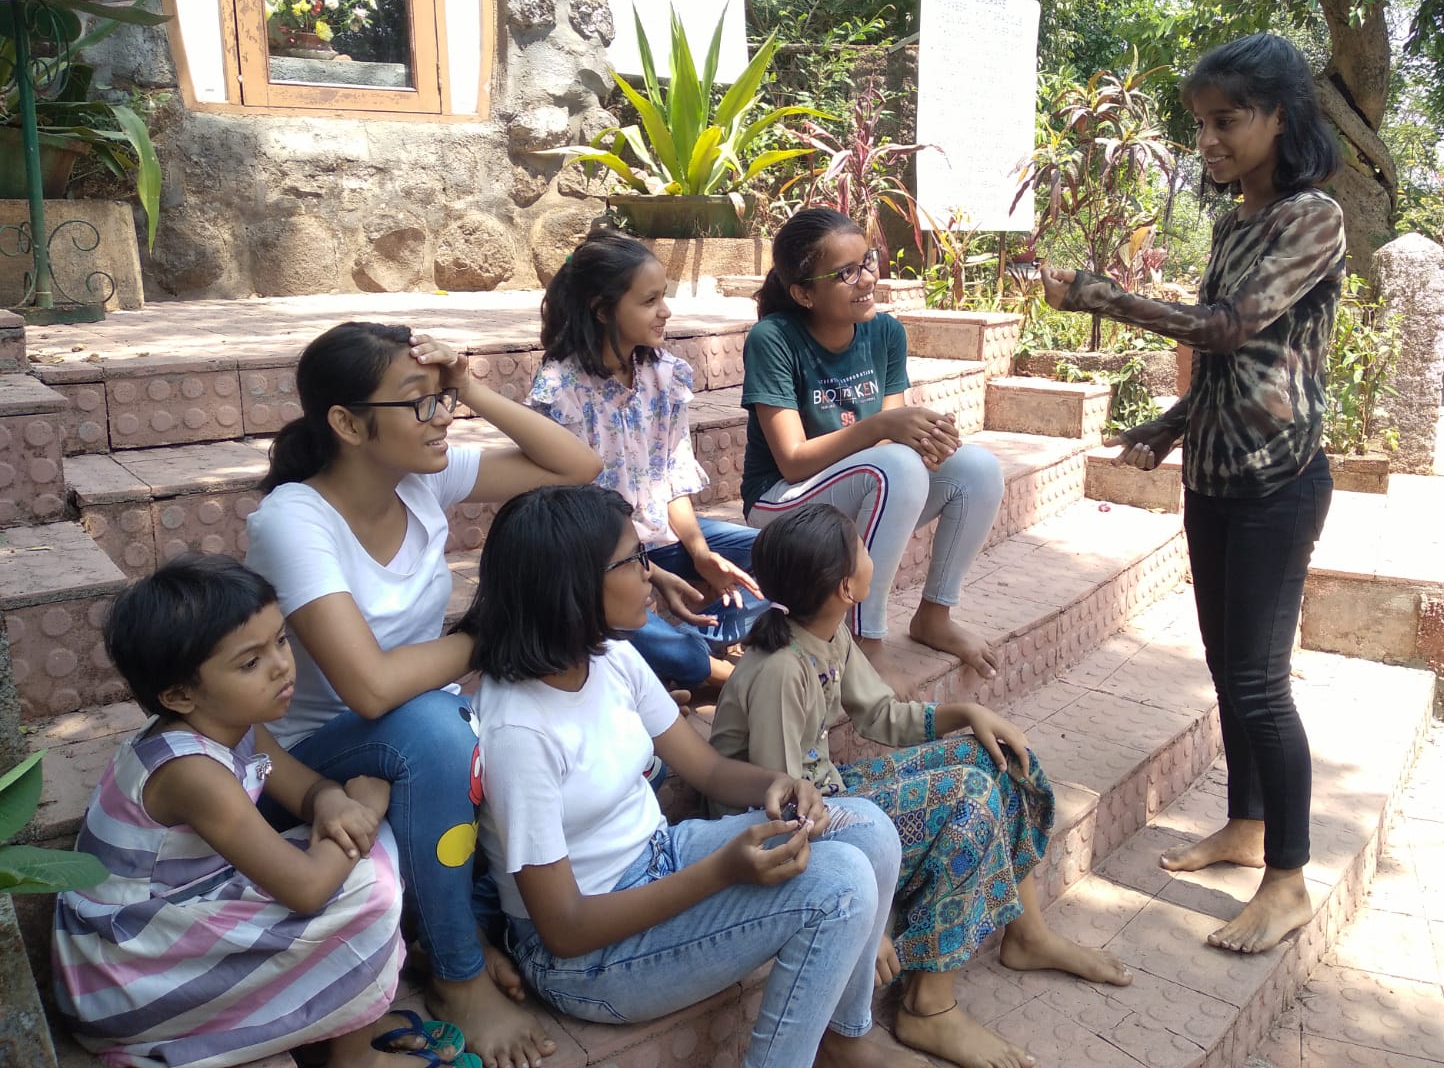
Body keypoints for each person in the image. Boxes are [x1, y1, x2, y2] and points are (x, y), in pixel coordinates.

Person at [1041, 32, 1345, 954]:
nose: (1208, 140)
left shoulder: (1312, 218)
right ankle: (1247, 825)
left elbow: (1225, 328)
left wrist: (1098, 295)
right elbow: (1228, 367)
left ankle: (1288, 880)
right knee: (1225, 665)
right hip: (1214, 475)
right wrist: (1167, 429)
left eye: (1227, 121)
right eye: (1200, 124)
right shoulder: (1233, 224)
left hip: (1279, 482)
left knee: (1259, 683)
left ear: (1278, 118)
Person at [458, 485, 922, 1068]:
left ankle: (842, 1037)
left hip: (659, 858)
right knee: (841, 887)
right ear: (571, 587)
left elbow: (706, 767)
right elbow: (564, 929)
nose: (649, 573)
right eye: (633, 560)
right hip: (587, 960)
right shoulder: (519, 731)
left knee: (869, 830)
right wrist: (721, 871)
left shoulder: (608, 657)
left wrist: (775, 785)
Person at [244, 320, 603, 1068]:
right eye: (420, 402)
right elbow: (369, 687)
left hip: (413, 730)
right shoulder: (295, 520)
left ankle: (462, 920)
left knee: (539, 708)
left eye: (443, 399)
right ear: (348, 424)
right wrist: (499, 632)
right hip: (310, 759)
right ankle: (457, 974)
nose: (442, 418)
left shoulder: (421, 476)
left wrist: (469, 385)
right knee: (439, 728)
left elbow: (577, 465)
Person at [710, 503, 1132, 1068]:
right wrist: (864, 913)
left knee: (998, 759)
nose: (871, 554)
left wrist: (966, 714)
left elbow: (882, 716)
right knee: (970, 797)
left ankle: (1027, 934)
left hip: (827, 796)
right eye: (862, 549)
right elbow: (783, 811)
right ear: (845, 588)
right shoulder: (781, 671)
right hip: (772, 830)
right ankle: (928, 1005)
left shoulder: (826, 634)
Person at [52, 556, 431, 1068]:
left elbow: (306, 788)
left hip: (173, 915)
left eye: (281, 640)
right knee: (369, 885)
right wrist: (365, 804)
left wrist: (332, 800)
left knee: (352, 850)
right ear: (180, 695)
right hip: (125, 975)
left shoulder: (233, 723)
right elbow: (306, 890)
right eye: (250, 662)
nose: (281, 665)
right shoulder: (191, 772)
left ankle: (343, 1014)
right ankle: (354, 1055)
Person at [741, 208, 1005, 697]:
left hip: (855, 491)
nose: (866, 279)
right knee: (897, 467)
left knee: (977, 469)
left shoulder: (885, 332)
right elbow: (792, 460)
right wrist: (883, 427)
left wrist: (925, 439)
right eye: (845, 273)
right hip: (781, 506)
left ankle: (935, 615)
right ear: (803, 293)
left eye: (867, 261)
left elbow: (891, 445)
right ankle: (863, 641)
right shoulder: (773, 339)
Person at [528, 230, 768, 692]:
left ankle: (682, 656)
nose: (666, 310)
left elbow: (670, 478)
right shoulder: (560, 391)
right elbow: (573, 523)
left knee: (784, 555)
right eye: (649, 300)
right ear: (602, 310)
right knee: (598, 611)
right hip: (600, 558)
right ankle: (696, 666)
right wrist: (650, 576)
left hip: (662, 539)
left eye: (664, 296)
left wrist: (700, 554)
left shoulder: (665, 374)